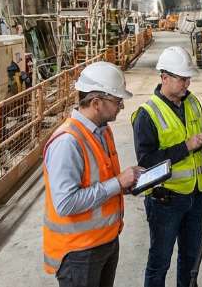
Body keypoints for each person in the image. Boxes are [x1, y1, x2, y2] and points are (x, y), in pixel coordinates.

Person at [42, 61, 144, 287]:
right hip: (79, 252)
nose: (121, 107)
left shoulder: (102, 131)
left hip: (105, 242)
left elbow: (98, 180)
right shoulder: (68, 142)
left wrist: (125, 185)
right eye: (117, 102)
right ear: (96, 102)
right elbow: (66, 203)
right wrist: (117, 183)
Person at [131, 46, 202, 287]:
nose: (186, 83)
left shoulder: (192, 103)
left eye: (188, 78)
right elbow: (146, 163)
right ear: (164, 78)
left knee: (192, 259)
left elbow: (200, 134)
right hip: (165, 201)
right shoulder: (147, 114)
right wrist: (187, 146)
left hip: (195, 195)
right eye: (182, 78)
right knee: (160, 262)